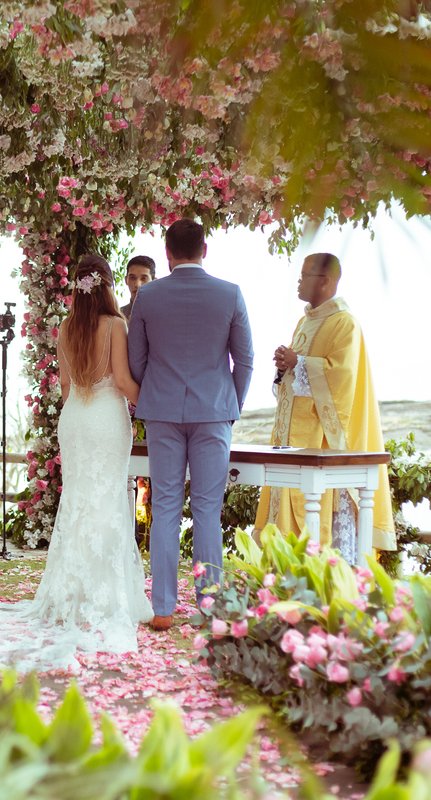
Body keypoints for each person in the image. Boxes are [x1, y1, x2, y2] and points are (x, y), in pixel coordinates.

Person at [128, 219, 254, 632]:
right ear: (205, 249)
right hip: (214, 412)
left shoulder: (147, 296)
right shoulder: (230, 293)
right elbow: (245, 360)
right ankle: (210, 605)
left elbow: (136, 360)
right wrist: (230, 404)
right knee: (207, 510)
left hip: (162, 413)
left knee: (164, 506)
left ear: (167, 252)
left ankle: (163, 608)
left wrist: (157, 392)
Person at [25, 254, 152, 645]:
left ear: (77, 286)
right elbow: (124, 383)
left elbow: (65, 387)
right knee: (107, 500)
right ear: (108, 285)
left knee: (79, 500)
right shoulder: (115, 324)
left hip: (75, 418)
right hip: (106, 419)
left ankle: (71, 592)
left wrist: (78, 413)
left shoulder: (66, 327)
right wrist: (157, 404)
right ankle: (105, 594)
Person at [253, 253, 396, 563]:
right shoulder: (305, 321)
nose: (299, 282)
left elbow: (343, 377)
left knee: (324, 519)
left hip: (323, 442)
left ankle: (330, 578)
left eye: (305, 276)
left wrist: (300, 363)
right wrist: (285, 367)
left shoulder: (345, 323)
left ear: (325, 281)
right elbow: (296, 382)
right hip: (293, 440)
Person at [119, 255, 156, 321]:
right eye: (132, 278)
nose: (137, 284)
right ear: (126, 280)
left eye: (144, 278)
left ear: (154, 282)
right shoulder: (117, 316)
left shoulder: (163, 314)